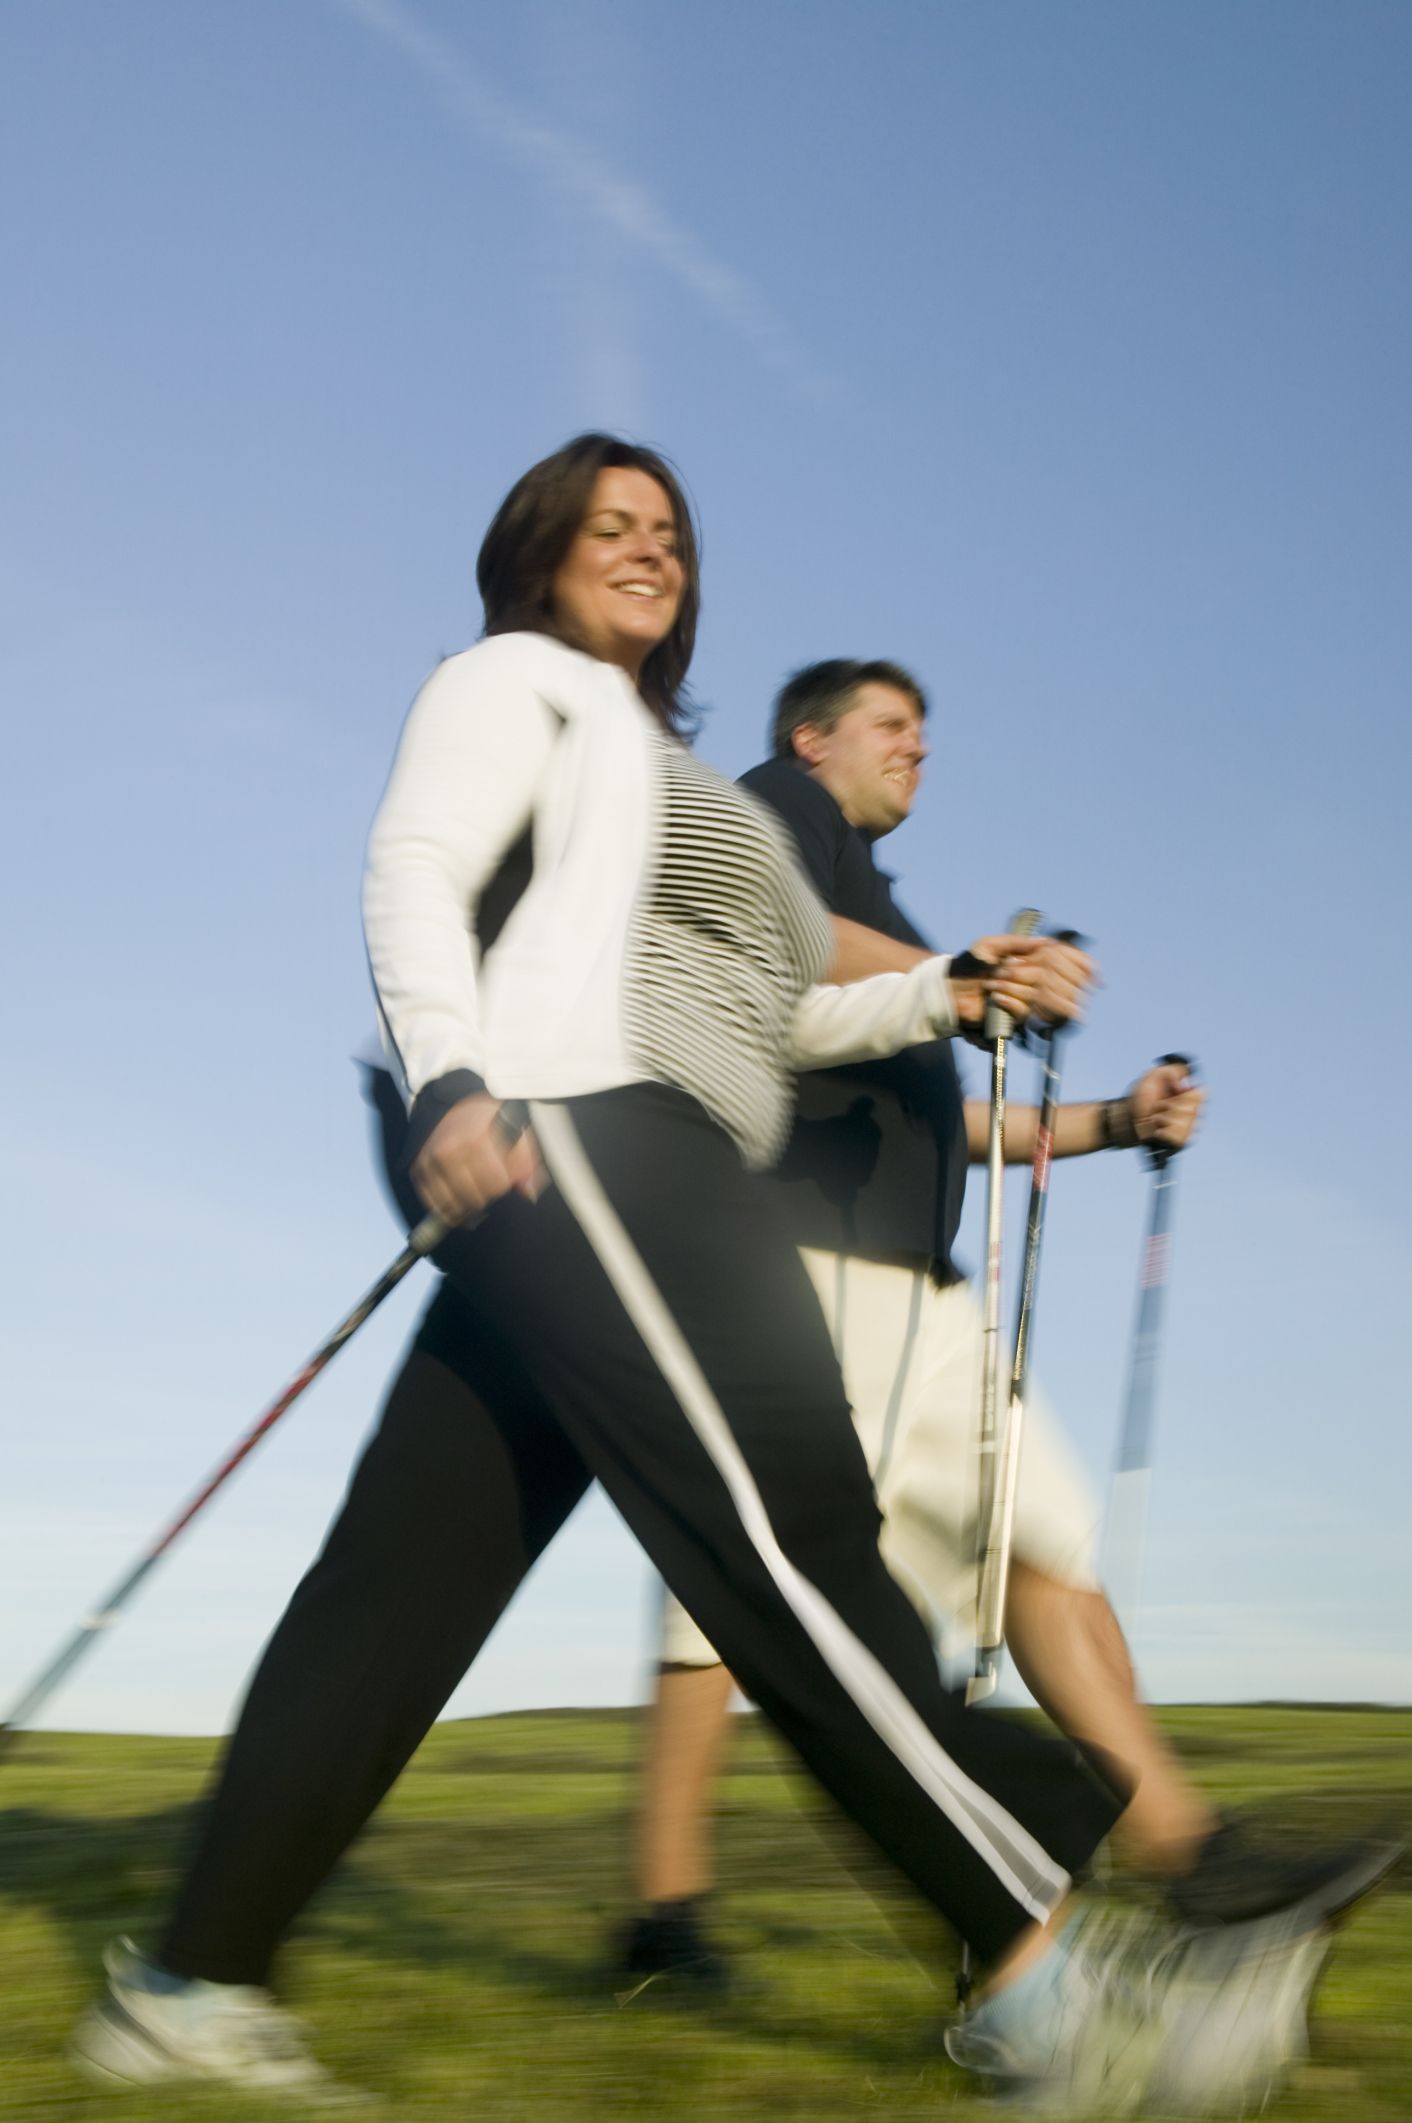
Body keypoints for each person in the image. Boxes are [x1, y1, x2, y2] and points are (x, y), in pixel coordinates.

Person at [72, 437, 1370, 2114]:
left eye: (669, 534)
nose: (646, 550)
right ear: (539, 553)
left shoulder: (663, 766)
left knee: (397, 1592)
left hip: (656, 1148)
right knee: (792, 1537)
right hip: (580, 1140)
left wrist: (946, 993)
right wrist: (453, 1083)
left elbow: (771, 1016)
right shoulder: (513, 682)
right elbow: (414, 873)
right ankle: (1044, 1985)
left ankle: (189, 1984)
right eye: (609, 526)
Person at [618, 659, 1257, 1993]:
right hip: (797, 1270)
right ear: (814, 735)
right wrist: (965, 973)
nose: (918, 751)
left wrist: (1112, 1123)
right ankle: (665, 1913)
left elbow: (945, 1119)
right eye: (892, 727)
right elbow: (766, 937)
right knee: (744, 1606)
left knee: (1047, 1545)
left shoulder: (884, 902)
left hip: (925, 1287)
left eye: (925, 735)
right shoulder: (775, 809)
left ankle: (1189, 1860)